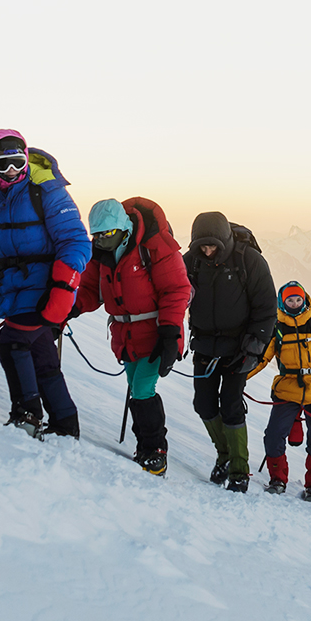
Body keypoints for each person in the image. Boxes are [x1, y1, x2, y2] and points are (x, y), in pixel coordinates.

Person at [0, 130, 89, 438]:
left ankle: (27, 413)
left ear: (26, 160)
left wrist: (63, 288)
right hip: (11, 285)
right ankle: (65, 423)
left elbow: (75, 241)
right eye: (1, 164)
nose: (10, 170)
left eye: (16, 162)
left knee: (12, 345)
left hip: (46, 284)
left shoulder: (47, 192)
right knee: (41, 355)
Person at [74, 197, 190, 474]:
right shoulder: (101, 254)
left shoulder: (155, 248)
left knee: (142, 390)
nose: (102, 240)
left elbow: (176, 290)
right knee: (136, 390)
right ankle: (146, 447)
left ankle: (155, 451)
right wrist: (71, 307)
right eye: (98, 235)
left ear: (123, 229)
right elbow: (91, 291)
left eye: (108, 233)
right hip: (125, 336)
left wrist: (170, 334)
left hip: (157, 333)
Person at [184, 212, 276, 492]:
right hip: (204, 345)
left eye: (213, 246)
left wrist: (254, 348)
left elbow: (266, 308)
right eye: (202, 246)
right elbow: (173, 292)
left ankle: (239, 470)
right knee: (204, 404)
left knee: (232, 405)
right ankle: (224, 454)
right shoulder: (191, 262)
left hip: (240, 347)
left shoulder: (249, 260)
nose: (208, 251)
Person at [249, 282, 311, 501]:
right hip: (288, 390)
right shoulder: (277, 327)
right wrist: (238, 379)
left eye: (298, 300)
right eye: (290, 300)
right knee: (274, 436)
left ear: (305, 300)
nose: (295, 304)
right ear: (282, 303)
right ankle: (278, 479)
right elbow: (262, 358)